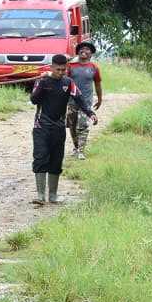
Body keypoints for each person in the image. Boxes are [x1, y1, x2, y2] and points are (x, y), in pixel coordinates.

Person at [30, 55, 97, 204]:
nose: (61, 72)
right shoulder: (42, 81)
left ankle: (53, 196)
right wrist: (42, 83)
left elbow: (80, 100)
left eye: (63, 69)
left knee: (56, 160)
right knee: (40, 158)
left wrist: (90, 113)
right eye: (58, 69)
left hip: (59, 126)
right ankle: (40, 196)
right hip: (41, 126)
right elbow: (33, 100)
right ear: (51, 68)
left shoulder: (69, 83)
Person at [66, 41, 103, 160]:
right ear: (78, 52)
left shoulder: (94, 68)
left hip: (86, 103)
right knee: (72, 126)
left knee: (83, 126)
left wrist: (100, 99)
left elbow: (97, 84)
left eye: (87, 49)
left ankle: (81, 151)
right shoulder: (70, 66)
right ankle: (76, 147)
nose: (84, 51)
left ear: (91, 53)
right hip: (71, 102)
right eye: (82, 48)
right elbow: (64, 83)